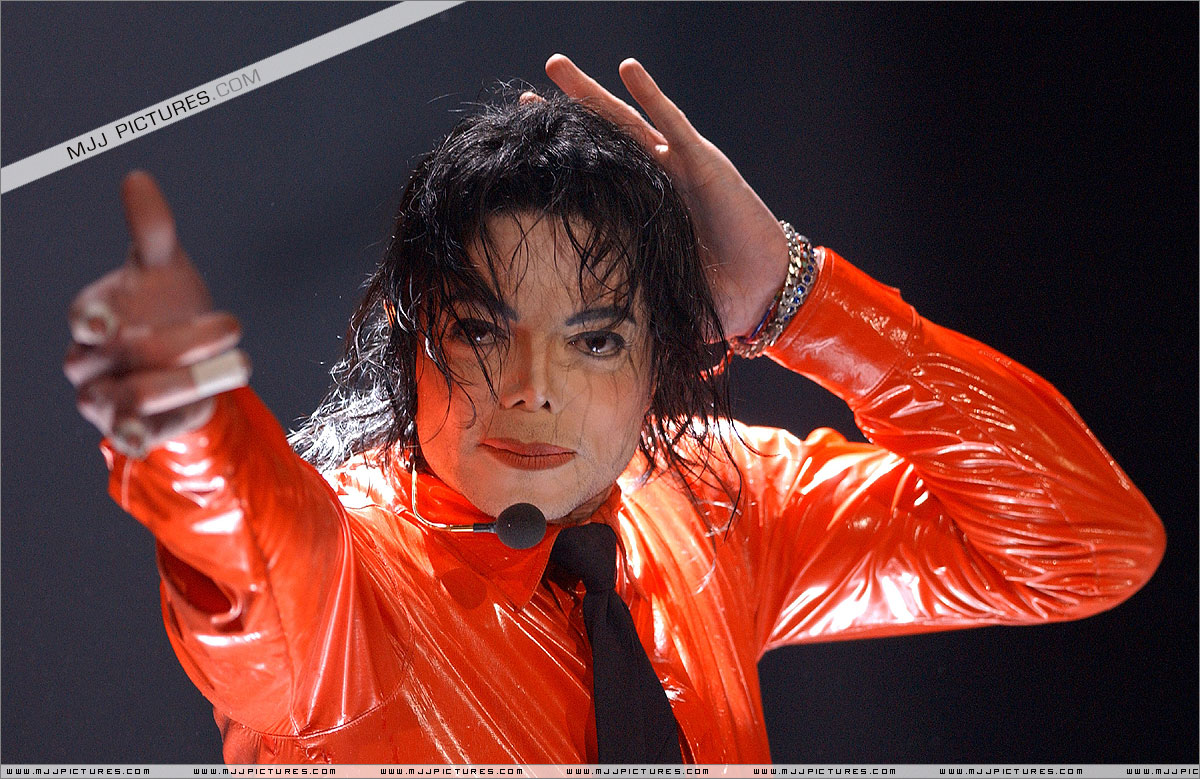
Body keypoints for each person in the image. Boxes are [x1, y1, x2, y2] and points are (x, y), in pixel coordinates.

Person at [64, 55, 1165, 765]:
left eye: (595, 338)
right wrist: (185, 422)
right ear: (411, 335)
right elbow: (251, 540)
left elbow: (1084, 548)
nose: (532, 385)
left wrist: (798, 297)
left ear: (666, 357)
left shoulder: (714, 506)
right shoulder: (344, 585)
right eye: (482, 329)